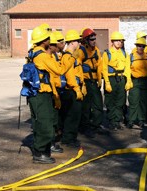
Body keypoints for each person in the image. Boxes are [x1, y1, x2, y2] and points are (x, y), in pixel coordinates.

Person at [28, 26, 73, 163]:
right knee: (46, 124)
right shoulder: (42, 56)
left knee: (41, 122)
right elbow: (59, 70)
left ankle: (42, 150)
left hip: (38, 93)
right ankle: (40, 152)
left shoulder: (33, 52)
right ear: (43, 41)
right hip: (40, 94)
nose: (50, 40)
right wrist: (70, 56)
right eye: (48, 38)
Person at [59, 29, 85, 148]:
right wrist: (77, 89)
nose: (79, 43)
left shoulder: (74, 56)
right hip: (71, 90)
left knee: (76, 115)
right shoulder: (67, 57)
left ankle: (72, 137)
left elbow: (78, 72)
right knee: (71, 115)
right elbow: (70, 76)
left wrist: (83, 85)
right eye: (78, 41)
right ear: (72, 42)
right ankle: (68, 139)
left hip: (77, 88)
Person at [77, 28, 105, 138]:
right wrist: (82, 84)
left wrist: (99, 79)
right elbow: (77, 67)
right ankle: (85, 127)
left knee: (98, 104)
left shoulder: (96, 50)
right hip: (86, 81)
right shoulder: (81, 51)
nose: (94, 41)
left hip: (94, 81)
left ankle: (96, 125)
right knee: (86, 106)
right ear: (86, 40)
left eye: (95, 39)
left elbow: (99, 65)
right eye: (91, 39)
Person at [102, 31, 132, 130]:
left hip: (121, 78)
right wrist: (106, 83)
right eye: (117, 41)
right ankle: (112, 121)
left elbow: (127, 68)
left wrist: (128, 81)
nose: (119, 42)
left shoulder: (125, 54)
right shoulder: (107, 53)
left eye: (121, 41)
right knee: (110, 101)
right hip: (111, 79)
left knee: (120, 101)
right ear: (112, 41)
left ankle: (118, 121)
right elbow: (104, 69)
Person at [128, 38, 147, 129]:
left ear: (145, 47)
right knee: (133, 100)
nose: (140, 48)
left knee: (143, 101)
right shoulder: (131, 56)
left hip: (145, 81)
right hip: (135, 81)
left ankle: (141, 119)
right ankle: (131, 120)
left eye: (142, 46)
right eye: (139, 46)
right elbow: (127, 69)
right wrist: (129, 80)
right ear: (136, 46)